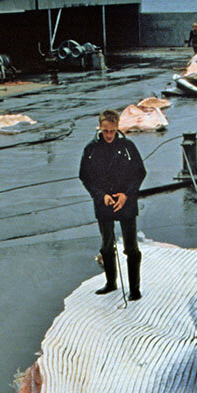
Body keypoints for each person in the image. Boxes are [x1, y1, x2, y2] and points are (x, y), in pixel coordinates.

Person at [79, 109, 146, 301]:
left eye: (112, 131)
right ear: (100, 128)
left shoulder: (127, 147)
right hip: (104, 202)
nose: (109, 135)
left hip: (125, 200)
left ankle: (135, 288)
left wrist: (126, 194)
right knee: (107, 245)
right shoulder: (91, 150)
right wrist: (101, 196)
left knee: (131, 247)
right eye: (105, 131)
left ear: (117, 128)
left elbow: (140, 173)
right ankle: (110, 283)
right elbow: (85, 177)